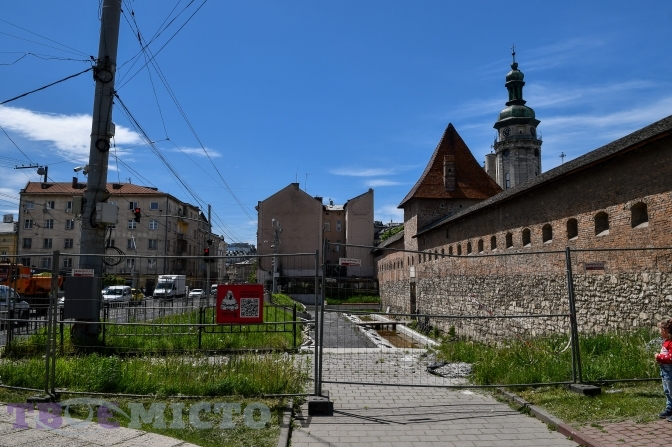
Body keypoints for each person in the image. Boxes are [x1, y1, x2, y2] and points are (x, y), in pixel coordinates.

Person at [656, 318, 672, 420]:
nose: (659, 332)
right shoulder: (666, 342)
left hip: (670, 371)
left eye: (659, 329)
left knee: (671, 390)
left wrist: (658, 357)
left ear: (664, 330)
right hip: (664, 371)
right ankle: (669, 408)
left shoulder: (671, 343)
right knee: (667, 391)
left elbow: (670, 358)